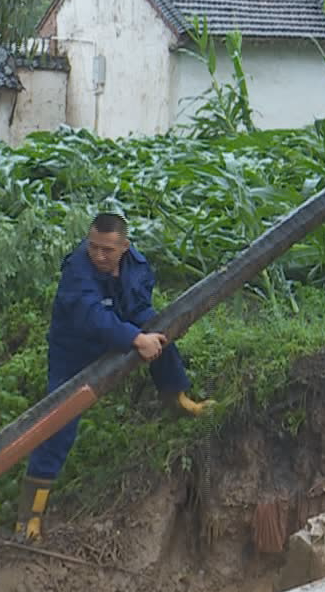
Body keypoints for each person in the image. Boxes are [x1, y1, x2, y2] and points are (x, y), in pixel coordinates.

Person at [15, 213, 208, 540]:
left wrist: (146, 332)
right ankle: (28, 516)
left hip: (117, 329)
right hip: (74, 350)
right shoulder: (76, 270)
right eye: (94, 247)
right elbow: (92, 317)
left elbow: (138, 304)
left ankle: (176, 396)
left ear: (125, 247)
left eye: (108, 250)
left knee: (160, 335)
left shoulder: (137, 265)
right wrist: (133, 339)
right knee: (58, 423)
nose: (99, 255)